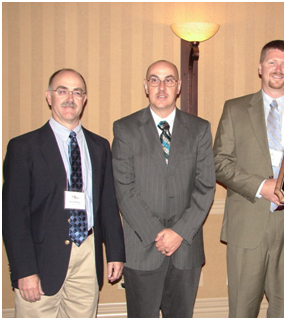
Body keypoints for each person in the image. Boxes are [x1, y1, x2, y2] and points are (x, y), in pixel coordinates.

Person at [213, 40, 284, 317]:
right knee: (242, 310)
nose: (279, 69)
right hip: (247, 223)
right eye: (272, 62)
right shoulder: (235, 109)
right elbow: (218, 162)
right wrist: (262, 186)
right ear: (260, 68)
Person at [2, 69, 126, 318]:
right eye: (62, 91)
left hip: (87, 254)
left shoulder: (99, 146)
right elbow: (14, 216)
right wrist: (24, 270)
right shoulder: (23, 147)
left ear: (84, 99)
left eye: (77, 92)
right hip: (42, 258)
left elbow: (108, 204)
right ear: (49, 97)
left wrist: (115, 253)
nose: (70, 98)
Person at [112, 60, 215, 318]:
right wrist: (158, 235)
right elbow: (125, 189)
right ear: (145, 86)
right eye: (154, 79)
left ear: (178, 86)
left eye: (169, 80)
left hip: (186, 248)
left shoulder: (200, 129)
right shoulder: (125, 129)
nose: (161, 86)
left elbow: (205, 186)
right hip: (142, 247)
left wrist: (179, 233)